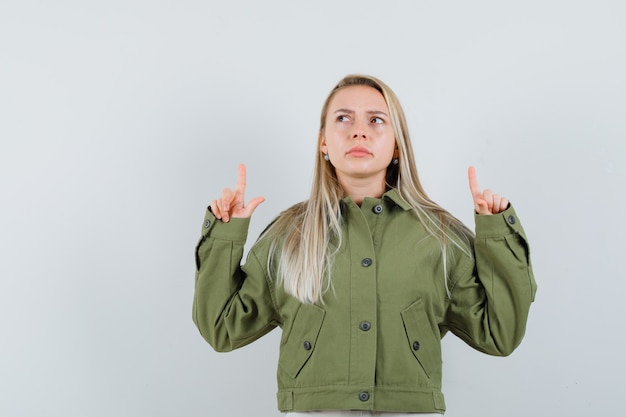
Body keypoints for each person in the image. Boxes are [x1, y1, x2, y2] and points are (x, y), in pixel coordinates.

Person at [192, 74, 536, 416]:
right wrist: (225, 234)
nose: (359, 131)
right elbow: (222, 328)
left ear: (397, 144)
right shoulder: (288, 234)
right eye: (343, 118)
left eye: (376, 120)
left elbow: (499, 334)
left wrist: (497, 233)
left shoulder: (439, 235)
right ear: (323, 141)